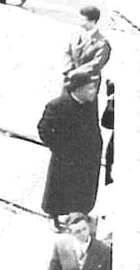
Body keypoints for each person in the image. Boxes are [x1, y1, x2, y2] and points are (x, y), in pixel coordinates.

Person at [38, 75, 103, 217]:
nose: (94, 92)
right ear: (79, 89)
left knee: (82, 193)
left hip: (86, 158)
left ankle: (78, 218)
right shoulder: (57, 105)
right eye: (90, 88)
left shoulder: (90, 104)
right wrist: (60, 149)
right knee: (59, 190)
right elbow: (44, 130)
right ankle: (54, 216)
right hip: (65, 159)